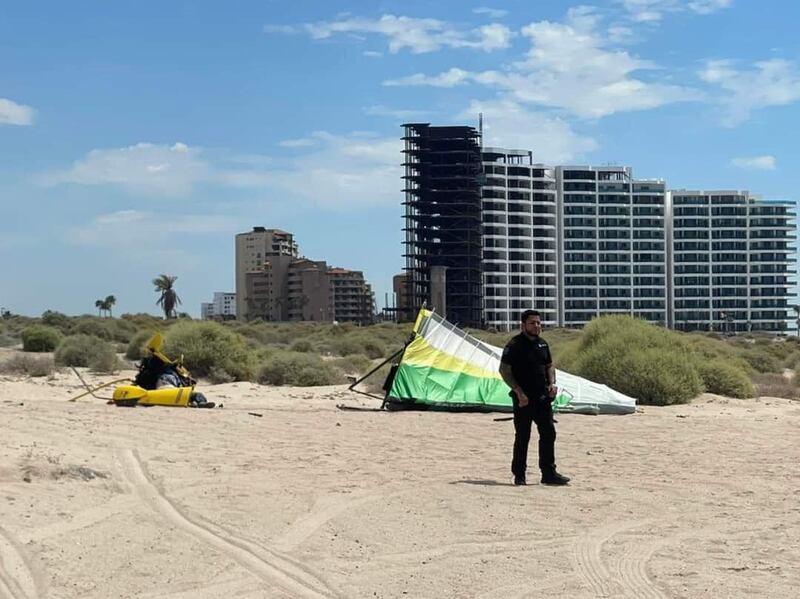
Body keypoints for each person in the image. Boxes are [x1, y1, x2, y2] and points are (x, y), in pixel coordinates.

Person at [499, 310, 570, 486]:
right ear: (523, 325)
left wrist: (552, 384)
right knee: (523, 436)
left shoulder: (543, 345)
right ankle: (519, 475)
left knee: (548, 434)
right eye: (532, 323)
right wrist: (518, 392)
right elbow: (504, 370)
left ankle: (549, 473)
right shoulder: (514, 345)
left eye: (538, 323)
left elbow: (549, 366)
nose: (537, 326)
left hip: (542, 398)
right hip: (523, 400)